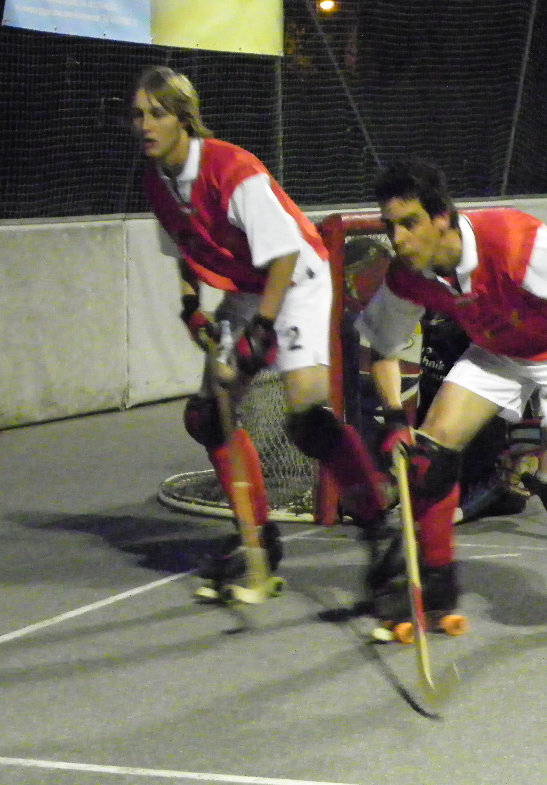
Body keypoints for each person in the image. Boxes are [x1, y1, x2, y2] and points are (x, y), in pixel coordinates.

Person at [129, 66, 395, 600]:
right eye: (137, 115)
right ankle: (257, 540)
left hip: (296, 280)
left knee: (307, 419)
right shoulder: (156, 179)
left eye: (157, 114)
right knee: (209, 416)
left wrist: (262, 330)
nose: (145, 125)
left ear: (184, 118)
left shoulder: (231, 169)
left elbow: (286, 254)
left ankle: (377, 528)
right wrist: (191, 307)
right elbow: (182, 246)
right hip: (251, 286)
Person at [355, 160, 547, 619]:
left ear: (441, 217)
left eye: (409, 223)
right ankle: (436, 582)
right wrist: (395, 418)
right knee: (428, 457)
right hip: (496, 350)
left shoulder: (510, 240)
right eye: (390, 226)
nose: (397, 239)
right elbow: (383, 347)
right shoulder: (407, 276)